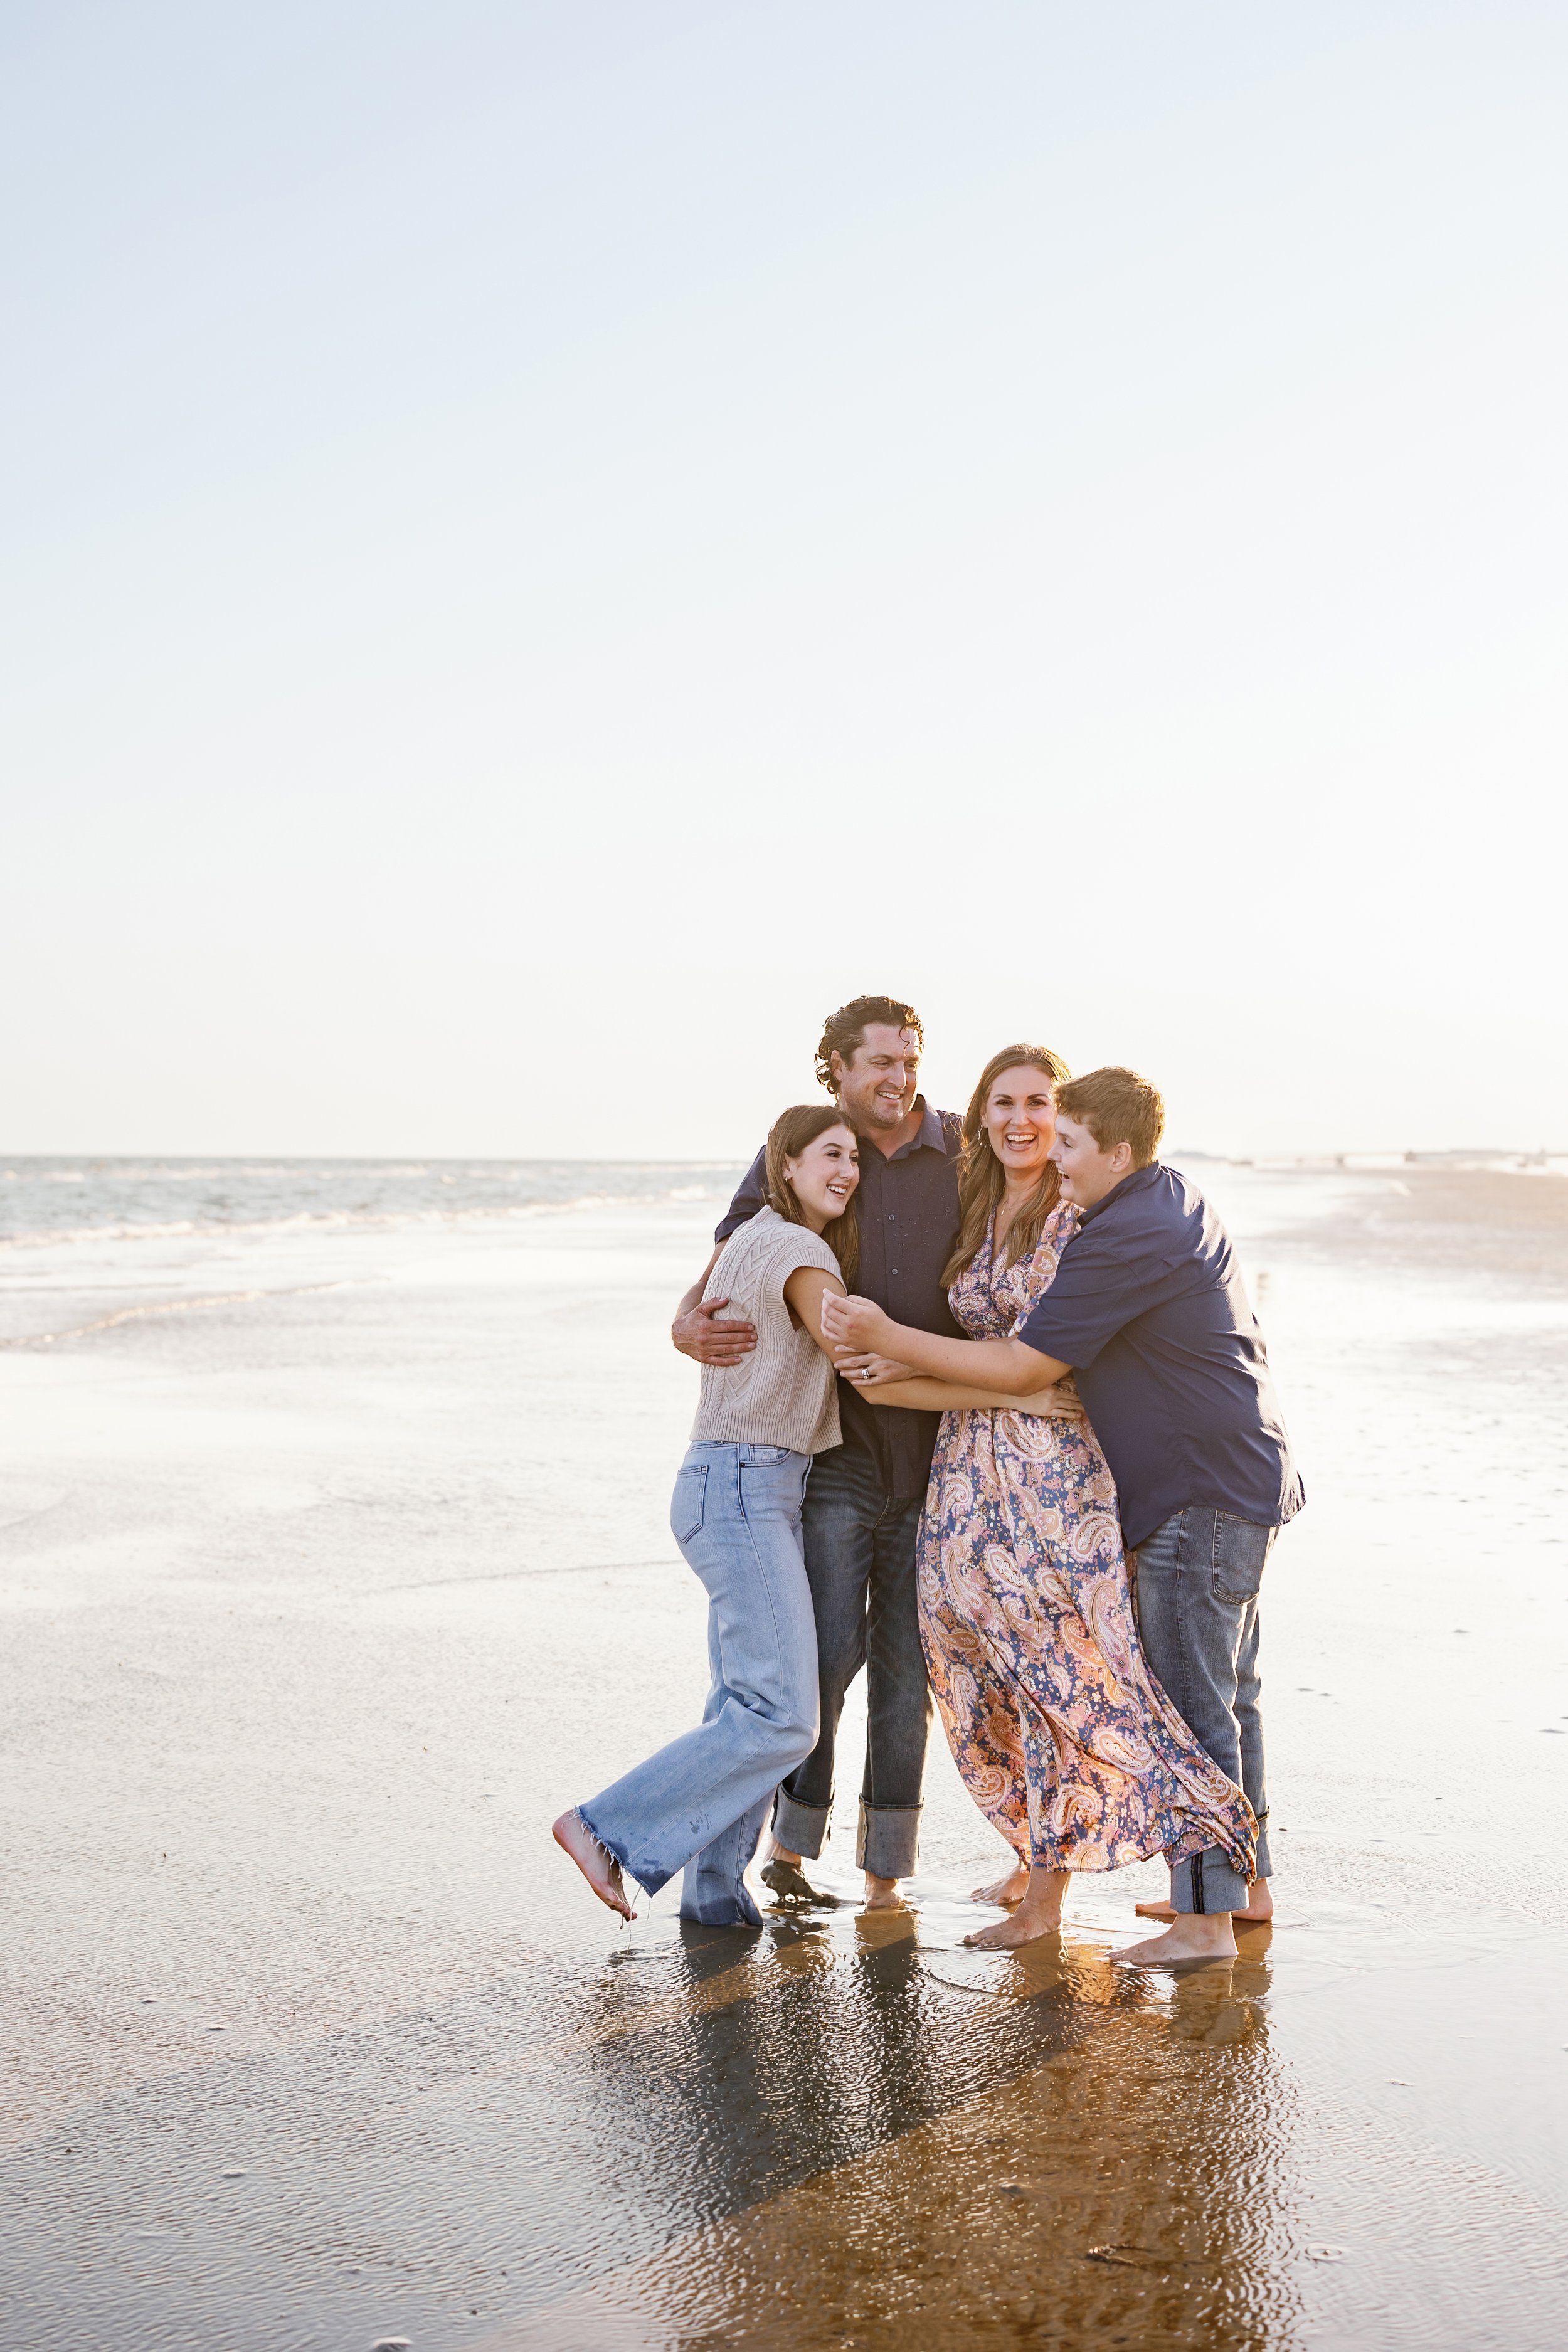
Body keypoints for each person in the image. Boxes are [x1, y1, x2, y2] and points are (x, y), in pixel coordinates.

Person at [822, 1066, 1303, 1969]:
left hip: (1194, 1491)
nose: (1056, 1155)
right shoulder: (1166, 1195)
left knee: (1190, 1706)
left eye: (1070, 1140)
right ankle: (1245, 1886)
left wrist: (886, 1338)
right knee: (1229, 1693)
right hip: (1234, 1478)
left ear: (1114, 1151)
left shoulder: (1123, 1232)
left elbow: (1022, 1368)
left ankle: (1203, 1923)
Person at [672, 995, 960, 1910]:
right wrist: (683, 1318)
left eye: (910, 1061)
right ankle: (790, 1853)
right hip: (834, 1454)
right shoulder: (805, 1149)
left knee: (908, 1671)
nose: (899, 1077)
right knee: (821, 1660)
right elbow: (733, 1255)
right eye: (881, 1061)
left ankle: (885, 1878)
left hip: (937, 1450)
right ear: (835, 1064)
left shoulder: (960, 1149)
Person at [553, 1105, 860, 1929]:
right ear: (785, 1165)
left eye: (854, 1157)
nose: (847, 1170)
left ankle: (716, 1891)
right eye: (830, 1154)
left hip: (738, 1483)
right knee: (784, 1717)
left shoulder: (751, 1233)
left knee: (743, 1707)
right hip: (744, 1487)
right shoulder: (800, 1248)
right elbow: (854, 1344)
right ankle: (605, 1825)